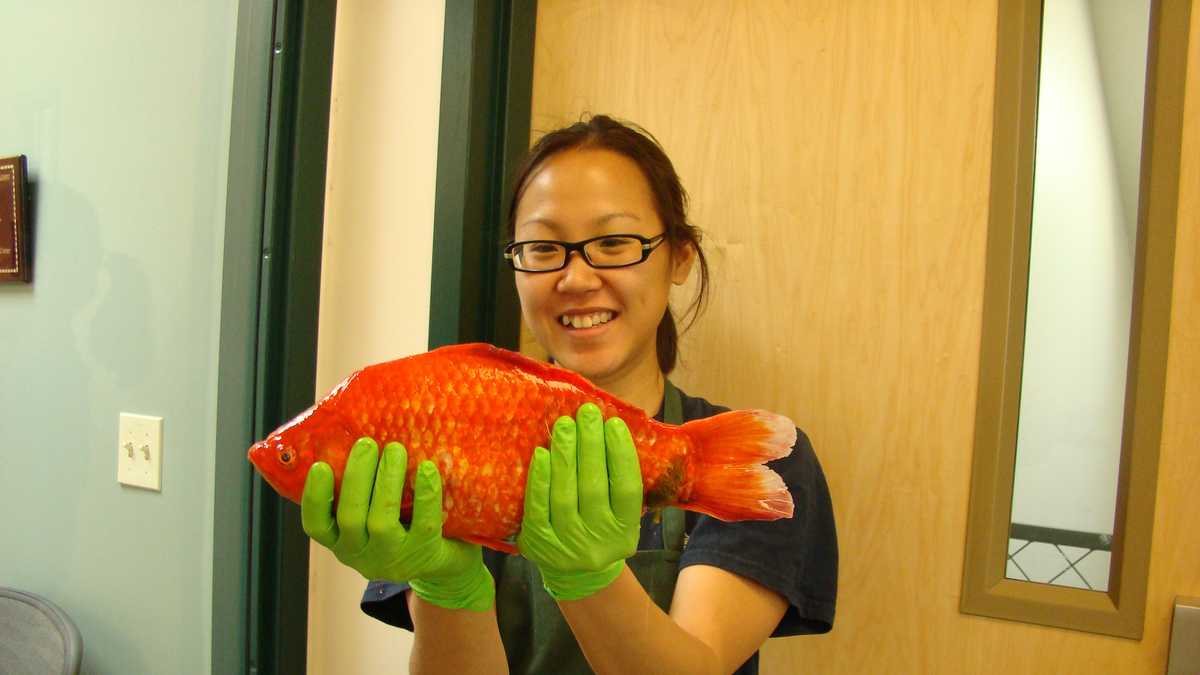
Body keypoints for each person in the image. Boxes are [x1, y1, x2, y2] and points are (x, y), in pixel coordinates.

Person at [300, 115, 838, 674]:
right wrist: (444, 585)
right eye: (542, 248)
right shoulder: (437, 435)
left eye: (613, 242)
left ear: (680, 256)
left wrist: (589, 578)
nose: (576, 278)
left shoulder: (759, 461)